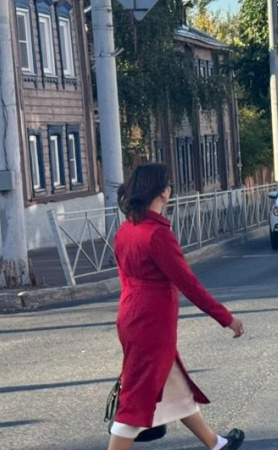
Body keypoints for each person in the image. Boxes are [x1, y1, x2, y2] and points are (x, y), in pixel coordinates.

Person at [110, 163, 245, 450]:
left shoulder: (126, 228)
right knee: (137, 398)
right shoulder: (157, 235)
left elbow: (124, 278)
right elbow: (188, 283)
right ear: (163, 191)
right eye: (169, 184)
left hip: (131, 315)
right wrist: (225, 317)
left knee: (174, 386)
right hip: (151, 322)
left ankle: (216, 443)